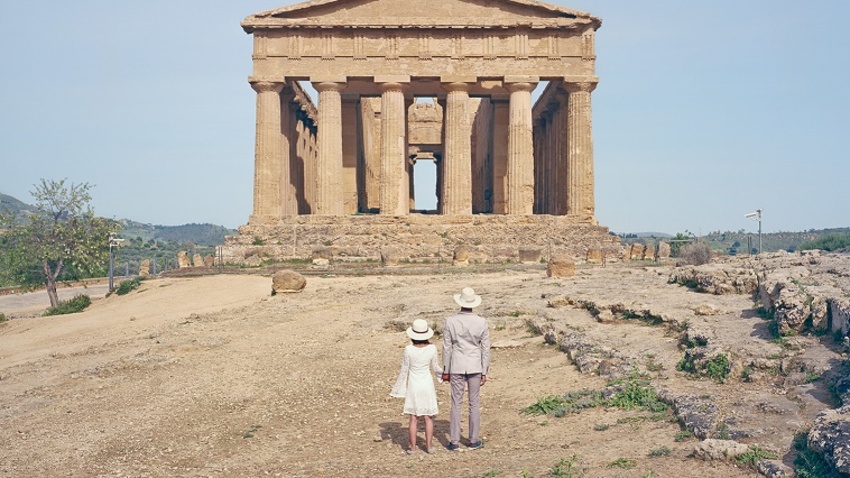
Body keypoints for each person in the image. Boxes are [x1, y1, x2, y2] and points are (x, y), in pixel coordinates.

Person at [441, 286, 490, 451]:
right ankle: (473, 440)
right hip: (475, 365)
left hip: (456, 365)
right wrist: (485, 371)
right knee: (474, 403)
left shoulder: (451, 321)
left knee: (456, 403)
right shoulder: (481, 322)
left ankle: (454, 441)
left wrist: (445, 370)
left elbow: (447, 348)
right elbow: (485, 348)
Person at [390, 318, 443, 454]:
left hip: (414, 384)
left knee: (413, 418)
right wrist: (444, 375)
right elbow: (435, 367)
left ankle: (412, 448)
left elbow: (404, 370)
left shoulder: (408, 350)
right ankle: (429, 446)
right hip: (427, 384)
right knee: (428, 417)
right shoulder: (432, 348)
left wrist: (397, 388)